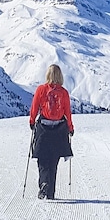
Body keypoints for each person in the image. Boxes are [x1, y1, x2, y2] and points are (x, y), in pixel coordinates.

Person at [29, 64, 74, 200]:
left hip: (43, 128)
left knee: (42, 160)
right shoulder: (64, 92)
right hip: (59, 130)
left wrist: (32, 122)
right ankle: (51, 194)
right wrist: (70, 128)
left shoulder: (41, 89)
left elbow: (35, 107)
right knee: (54, 161)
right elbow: (67, 113)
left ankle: (43, 182)